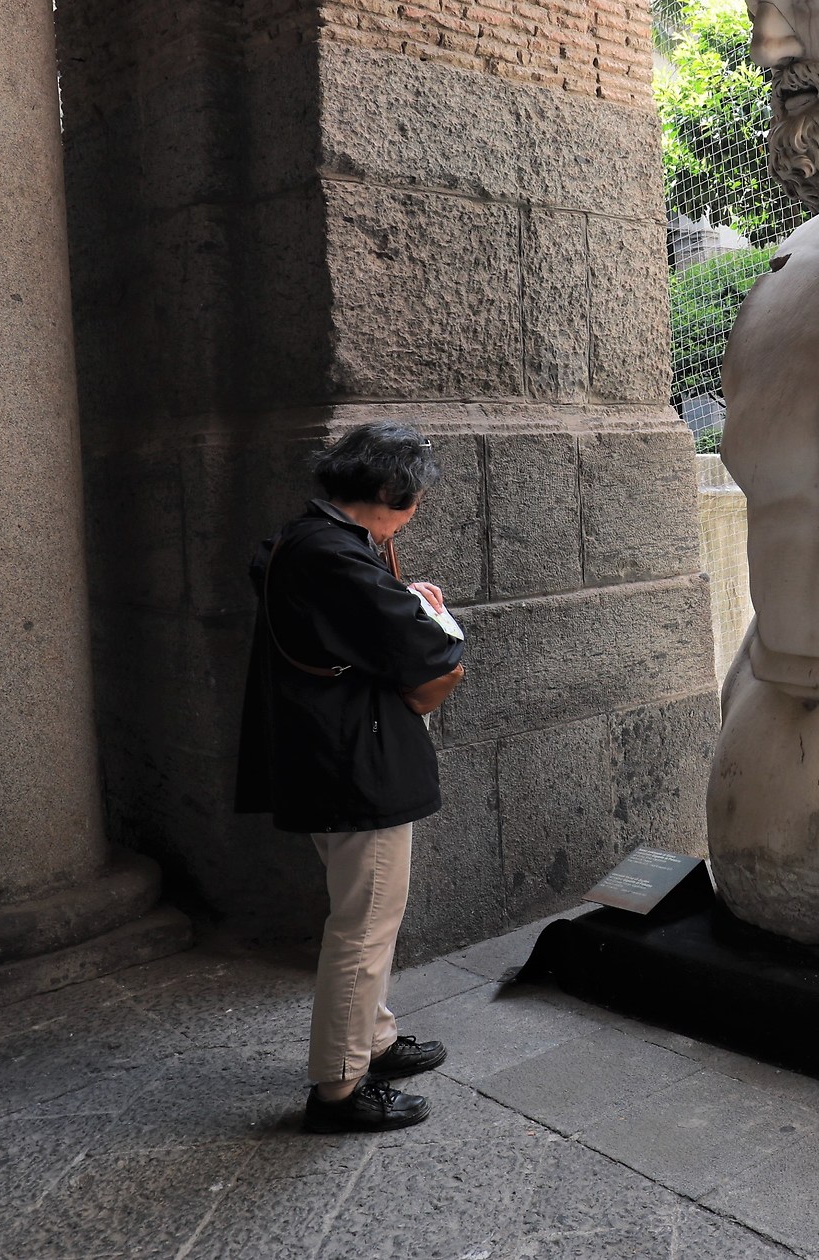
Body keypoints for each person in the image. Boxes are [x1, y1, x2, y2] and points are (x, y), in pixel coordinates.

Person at [236, 422, 467, 1133]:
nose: (416, 510)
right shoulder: (335, 557)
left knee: (363, 914)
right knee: (364, 926)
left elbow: (358, 624)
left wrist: (399, 599)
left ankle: (376, 1039)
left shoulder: (305, 541)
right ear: (392, 494)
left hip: (321, 752)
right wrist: (426, 610)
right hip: (351, 763)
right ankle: (338, 1086)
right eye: (415, 498)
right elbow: (432, 650)